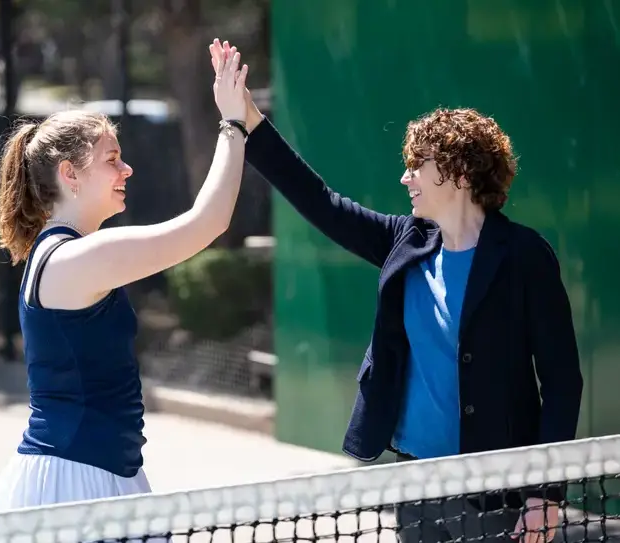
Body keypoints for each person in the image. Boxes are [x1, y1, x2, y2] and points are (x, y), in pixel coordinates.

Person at [209, 40, 582, 543]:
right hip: (412, 482)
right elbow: (321, 202)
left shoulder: (525, 257)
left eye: (417, 165)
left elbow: (562, 381)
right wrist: (248, 117)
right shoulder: (403, 240)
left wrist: (545, 494)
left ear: (459, 173)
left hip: (498, 490)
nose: (405, 177)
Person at [0, 45, 249, 510]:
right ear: (71, 174)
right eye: (112, 159)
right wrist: (233, 123)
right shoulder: (77, 259)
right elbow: (207, 223)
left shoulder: (64, 255)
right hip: (73, 487)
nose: (127, 169)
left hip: (106, 476)